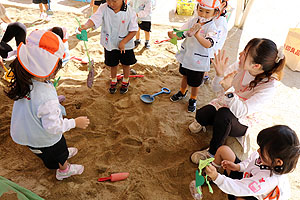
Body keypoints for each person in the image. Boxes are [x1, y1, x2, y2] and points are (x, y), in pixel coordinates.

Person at [6, 30, 90, 180]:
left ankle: (58, 158)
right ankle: (64, 170)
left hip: (27, 134)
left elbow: (35, 103)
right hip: (44, 138)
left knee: (45, 153)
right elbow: (53, 127)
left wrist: (53, 101)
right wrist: (75, 123)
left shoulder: (25, 79)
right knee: (59, 151)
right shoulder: (46, 99)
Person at [189, 38, 286, 163]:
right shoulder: (240, 66)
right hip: (228, 103)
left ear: (256, 66)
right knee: (202, 114)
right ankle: (212, 124)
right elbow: (216, 89)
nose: (240, 54)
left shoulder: (268, 87)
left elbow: (241, 111)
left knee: (224, 116)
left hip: (242, 119)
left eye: (245, 53)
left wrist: (228, 89)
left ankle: (212, 153)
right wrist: (219, 75)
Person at [190, 125, 299, 200]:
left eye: (262, 151)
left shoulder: (267, 181)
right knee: (223, 150)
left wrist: (217, 177)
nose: (258, 151)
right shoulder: (266, 158)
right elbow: (250, 161)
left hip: (253, 194)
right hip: (246, 178)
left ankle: (214, 177)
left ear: (278, 162)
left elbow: (239, 189)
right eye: (260, 147)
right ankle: (207, 179)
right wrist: (238, 167)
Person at [168, 0, 220, 112]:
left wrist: (197, 35)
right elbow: (182, 34)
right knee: (185, 76)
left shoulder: (212, 28)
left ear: (215, 13)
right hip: (187, 56)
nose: (203, 14)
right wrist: (173, 35)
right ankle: (182, 91)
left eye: (207, 12)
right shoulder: (192, 21)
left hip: (198, 60)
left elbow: (208, 44)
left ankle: (193, 98)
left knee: (195, 83)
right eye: (200, 10)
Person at [78, 0, 138, 94]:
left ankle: (125, 81)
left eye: (114, 1)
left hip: (125, 45)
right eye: (108, 0)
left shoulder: (130, 12)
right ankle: (113, 80)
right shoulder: (104, 8)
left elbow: (134, 31)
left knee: (126, 64)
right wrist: (86, 26)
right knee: (112, 64)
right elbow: (94, 19)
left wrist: (123, 42)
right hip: (109, 43)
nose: (111, 4)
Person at [203, 0, 228, 84]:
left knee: (204, 64)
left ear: (223, 4)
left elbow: (216, 40)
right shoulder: (214, 15)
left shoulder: (220, 23)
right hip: (206, 45)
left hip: (211, 49)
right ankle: (205, 76)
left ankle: (204, 77)